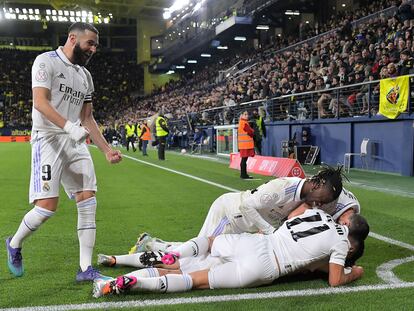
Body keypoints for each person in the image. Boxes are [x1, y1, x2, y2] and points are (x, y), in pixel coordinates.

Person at [5, 22, 122, 282]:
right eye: (90, 43)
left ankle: (85, 269)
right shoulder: (46, 62)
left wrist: (106, 150)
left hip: (74, 141)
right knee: (47, 207)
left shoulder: (85, 76)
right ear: (72, 38)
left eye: (96, 45)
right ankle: (14, 243)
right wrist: (70, 127)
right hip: (48, 139)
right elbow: (40, 102)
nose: (93, 49)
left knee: (88, 198)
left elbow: (88, 118)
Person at [92, 208, 368, 298]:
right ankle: (135, 283)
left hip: (259, 243)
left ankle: (175, 252)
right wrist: (353, 272)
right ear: (353, 239)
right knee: (197, 279)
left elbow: (295, 212)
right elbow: (334, 280)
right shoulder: (343, 244)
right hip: (266, 267)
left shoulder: (318, 212)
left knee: (210, 242)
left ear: (345, 220)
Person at [122, 166, 344, 255]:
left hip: (243, 225)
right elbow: (247, 206)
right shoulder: (283, 188)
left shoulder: (304, 196)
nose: (318, 205)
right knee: (198, 251)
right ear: (316, 185)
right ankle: (150, 245)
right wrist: (268, 230)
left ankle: (153, 244)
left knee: (208, 254)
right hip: (229, 213)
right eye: (320, 199)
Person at [238, 110, 255, 179]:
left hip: (243, 145)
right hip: (245, 145)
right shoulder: (244, 123)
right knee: (244, 160)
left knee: (244, 160)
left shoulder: (242, 122)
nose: (247, 116)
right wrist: (253, 131)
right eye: (245, 114)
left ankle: (243, 174)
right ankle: (243, 175)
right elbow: (250, 132)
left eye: (247, 114)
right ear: (241, 115)